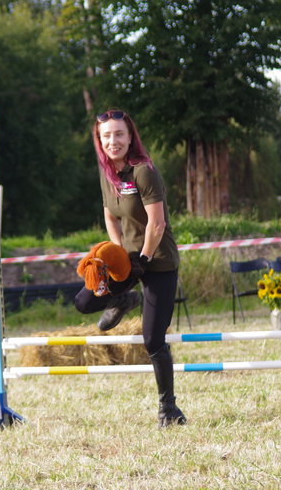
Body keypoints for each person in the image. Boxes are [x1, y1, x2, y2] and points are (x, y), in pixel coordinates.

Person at [74, 109, 186, 427]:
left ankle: (169, 410)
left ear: (130, 136)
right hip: (130, 259)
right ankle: (124, 300)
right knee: (84, 301)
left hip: (158, 261)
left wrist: (143, 261)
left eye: (119, 134)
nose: (114, 141)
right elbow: (110, 215)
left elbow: (157, 223)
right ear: (99, 140)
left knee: (153, 340)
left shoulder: (143, 171)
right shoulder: (106, 172)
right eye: (106, 136)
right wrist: (117, 253)